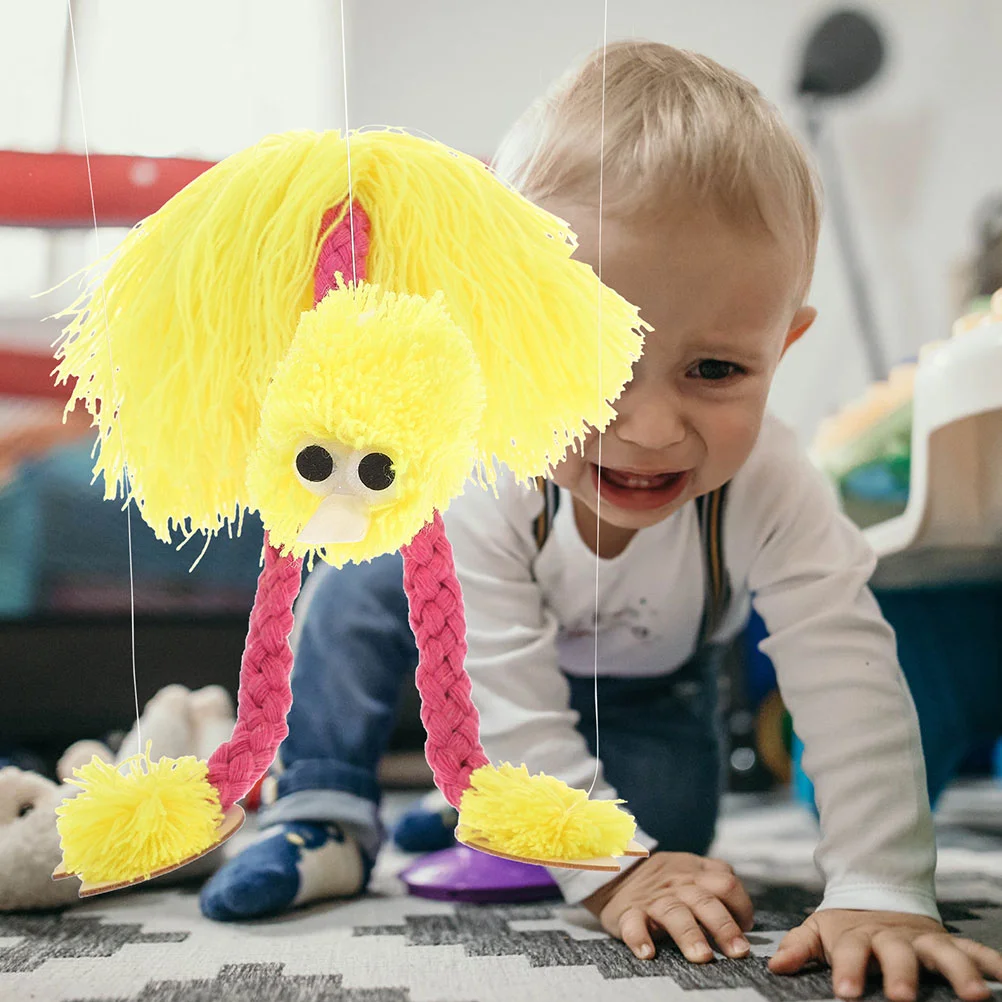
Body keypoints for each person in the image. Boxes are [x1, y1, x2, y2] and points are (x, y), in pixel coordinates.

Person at [200, 40, 1002, 1001]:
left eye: (716, 371)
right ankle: (327, 807)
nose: (652, 431)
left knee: (670, 834)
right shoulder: (487, 470)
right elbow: (497, 689)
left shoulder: (776, 483)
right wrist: (606, 867)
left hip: (652, 687)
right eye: (592, 366)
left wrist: (883, 885)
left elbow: (846, 666)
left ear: (782, 346)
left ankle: (485, 819)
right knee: (358, 579)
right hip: (463, 661)